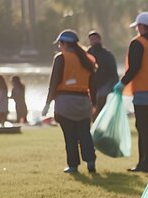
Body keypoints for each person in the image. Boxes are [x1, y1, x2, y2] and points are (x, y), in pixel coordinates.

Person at [114, 12, 148, 173]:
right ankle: (144, 163)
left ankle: (143, 164)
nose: (136, 29)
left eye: (137, 26)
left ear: (142, 26)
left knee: (142, 126)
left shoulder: (138, 43)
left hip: (143, 89)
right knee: (144, 126)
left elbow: (134, 67)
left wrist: (122, 83)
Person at [42, 29, 97, 174]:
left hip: (65, 102)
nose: (59, 46)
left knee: (70, 135)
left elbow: (54, 83)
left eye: (60, 43)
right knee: (85, 133)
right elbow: (93, 85)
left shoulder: (61, 58)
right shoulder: (87, 59)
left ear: (65, 43)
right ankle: (91, 162)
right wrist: (94, 104)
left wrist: (47, 103)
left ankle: (73, 166)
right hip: (84, 101)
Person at [87, 31, 119, 120]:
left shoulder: (107, 55)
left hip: (104, 87)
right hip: (90, 87)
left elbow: (113, 73)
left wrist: (113, 87)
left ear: (99, 40)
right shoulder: (87, 54)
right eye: (91, 39)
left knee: (100, 110)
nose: (93, 41)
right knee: (91, 111)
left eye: (95, 39)